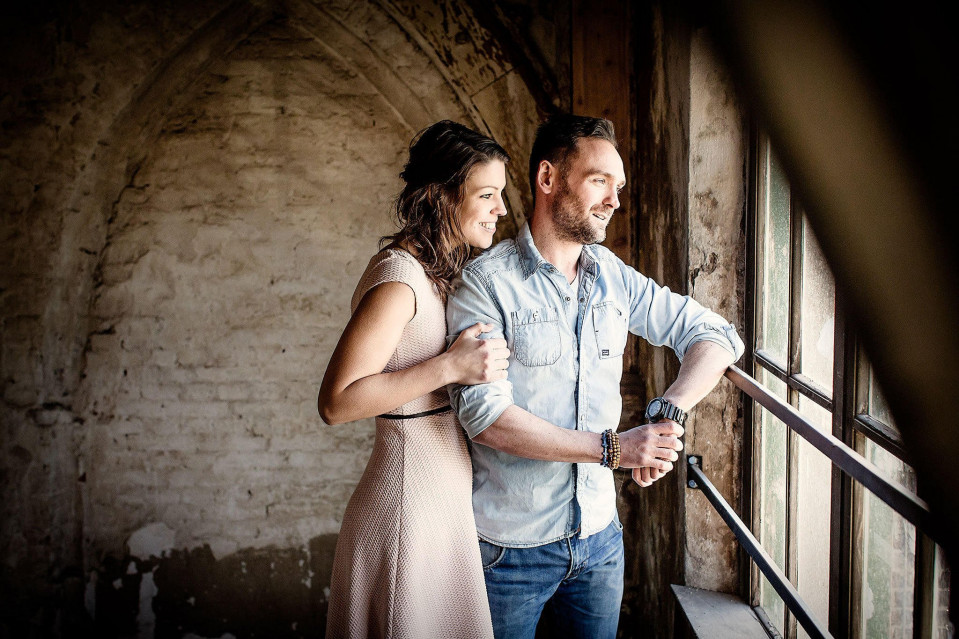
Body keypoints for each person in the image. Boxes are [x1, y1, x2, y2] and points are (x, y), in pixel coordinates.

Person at [445, 113, 745, 638]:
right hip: (507, 555)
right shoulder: (485, 285)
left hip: (600, 546)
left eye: (619, 186)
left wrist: (668, 411)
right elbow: (486, 418)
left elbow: (716, 336)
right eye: (599, 181)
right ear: (547, 179)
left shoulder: (613, 276)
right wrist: (614, 450)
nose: (614, 200)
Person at [318, 120, 512, 639]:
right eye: (488, 195)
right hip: (406, 507)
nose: (502, 210)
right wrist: (450, 366)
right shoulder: (398, 280)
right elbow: (336, 402)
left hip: (438, 500)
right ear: (445, 196)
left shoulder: (437, 271)